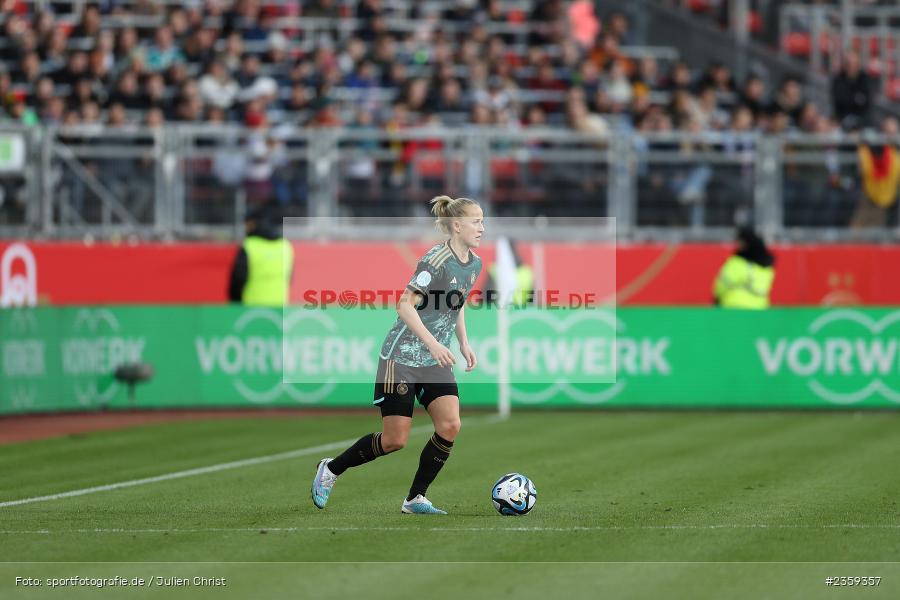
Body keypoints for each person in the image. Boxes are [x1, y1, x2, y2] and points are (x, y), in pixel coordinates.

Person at [311, 195, 484, 514]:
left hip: (435, 361)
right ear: (457, 225)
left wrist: (463, 342)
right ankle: (332, 469)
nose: (482, 228)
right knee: (394, 440)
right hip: (401, 358)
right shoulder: (435, 261)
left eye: (483, 221)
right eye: (476, 221)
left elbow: (456, 305)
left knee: (450, 425)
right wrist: (433, 342)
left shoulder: (474, 263)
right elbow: (404, 305)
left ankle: (415, 498)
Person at [227, 204, 294, 306]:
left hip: (250, 313)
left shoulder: (249, 246)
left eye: (246, 223)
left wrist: (235, 307)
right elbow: (289, 280)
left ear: (253, 223)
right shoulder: (285, 246)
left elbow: (237, 282)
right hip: (279, 312)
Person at [712, 227, 775, 309]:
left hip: (733, 308)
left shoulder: (737, 263)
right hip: (760, 309)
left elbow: (721, 287)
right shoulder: (767, 267)